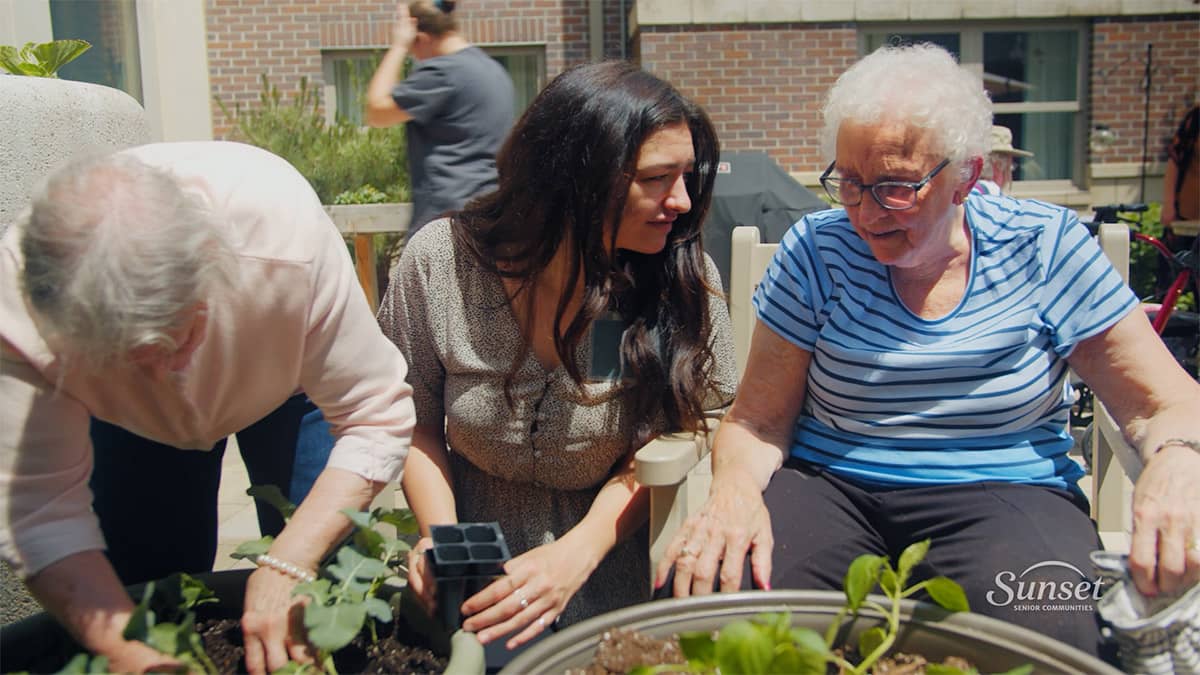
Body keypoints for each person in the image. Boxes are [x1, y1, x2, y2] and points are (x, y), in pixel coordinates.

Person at [656, 43, 1200, 659]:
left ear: (966, 174)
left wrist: (1179, 460)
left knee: (1055, 626)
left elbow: (1165, 405)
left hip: (1007, 491)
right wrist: (732, 495)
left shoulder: (1044, 249)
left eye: (893, 187)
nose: (863, 212)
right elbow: (757, 421)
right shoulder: (817, 250)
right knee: (732, 610)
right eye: (849, 183)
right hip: (830, 484)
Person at [0, 141, 416, 675]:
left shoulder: (284, 243)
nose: (163, 378)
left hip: (291, 389)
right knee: (146, 590)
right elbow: (41, 508)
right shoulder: (18, 311)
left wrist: (289, 560)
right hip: (129, 430)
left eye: (177, 342)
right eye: (122, 362)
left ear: (211, 270)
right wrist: (127, 649)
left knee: (324, 588)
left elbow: (373, 415)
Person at [377, 61, 737, 651]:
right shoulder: (440, 263)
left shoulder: (674, 277)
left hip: (609, 582)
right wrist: (445, 542)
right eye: (656, 178)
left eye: (687, 176)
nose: (681, 200)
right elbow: (410, 417)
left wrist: (582, 549)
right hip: (469, 585)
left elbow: (692, 421)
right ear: (577, 176)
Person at [365, 0, 515, 240]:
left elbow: (376, 110)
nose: (417, 58)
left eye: (415, 50)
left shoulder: (444, 72)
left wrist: (399, 46)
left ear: (422, 38)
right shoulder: (494, 71)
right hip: (489, 219)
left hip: (445, 225)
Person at [972, 124, 1033, 195]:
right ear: (998, 165)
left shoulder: (963, 191)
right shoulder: (992, 191)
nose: (1008, 178)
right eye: (1010, 167)